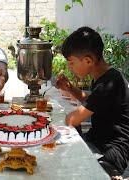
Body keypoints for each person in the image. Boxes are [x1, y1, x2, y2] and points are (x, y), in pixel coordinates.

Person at [56, 27, 129, 178]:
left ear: (88, 60)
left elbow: (73, 119)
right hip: (98, 139)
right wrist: (71, 88)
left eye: (71, 62)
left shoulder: (110, 82)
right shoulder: (105, 76)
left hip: (112, 151)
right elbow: (93, 101)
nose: (70, 67)